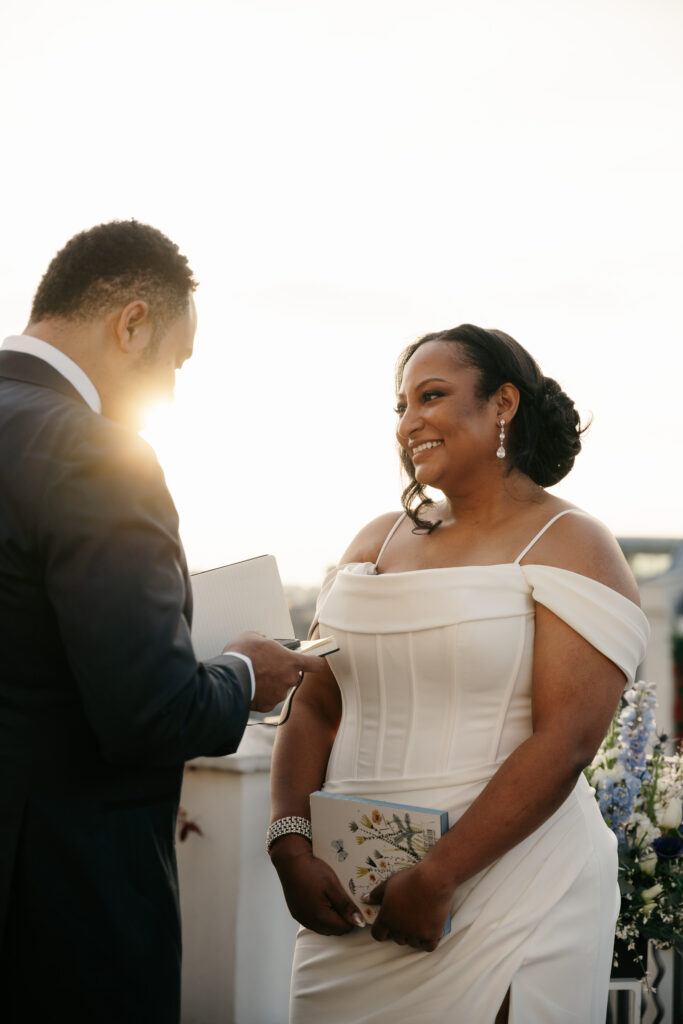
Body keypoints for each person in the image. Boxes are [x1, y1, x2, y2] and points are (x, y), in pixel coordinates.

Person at [269, 324, 650, 1023]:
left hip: (509, 886)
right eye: (400, 406)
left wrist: (438, 875)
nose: (409, 422)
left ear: (501, 403)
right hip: (354, 892)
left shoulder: (570, 543)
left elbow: (565, 740)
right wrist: (289, 840)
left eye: (431, 396)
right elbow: (314, 706)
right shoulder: (374, 540)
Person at [0, 220, 325, 1024]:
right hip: (57, 917)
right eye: (175, 362)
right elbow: (149, 713)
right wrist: (246, 673)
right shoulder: (95, 454)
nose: (173, 393)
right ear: (131, 322)